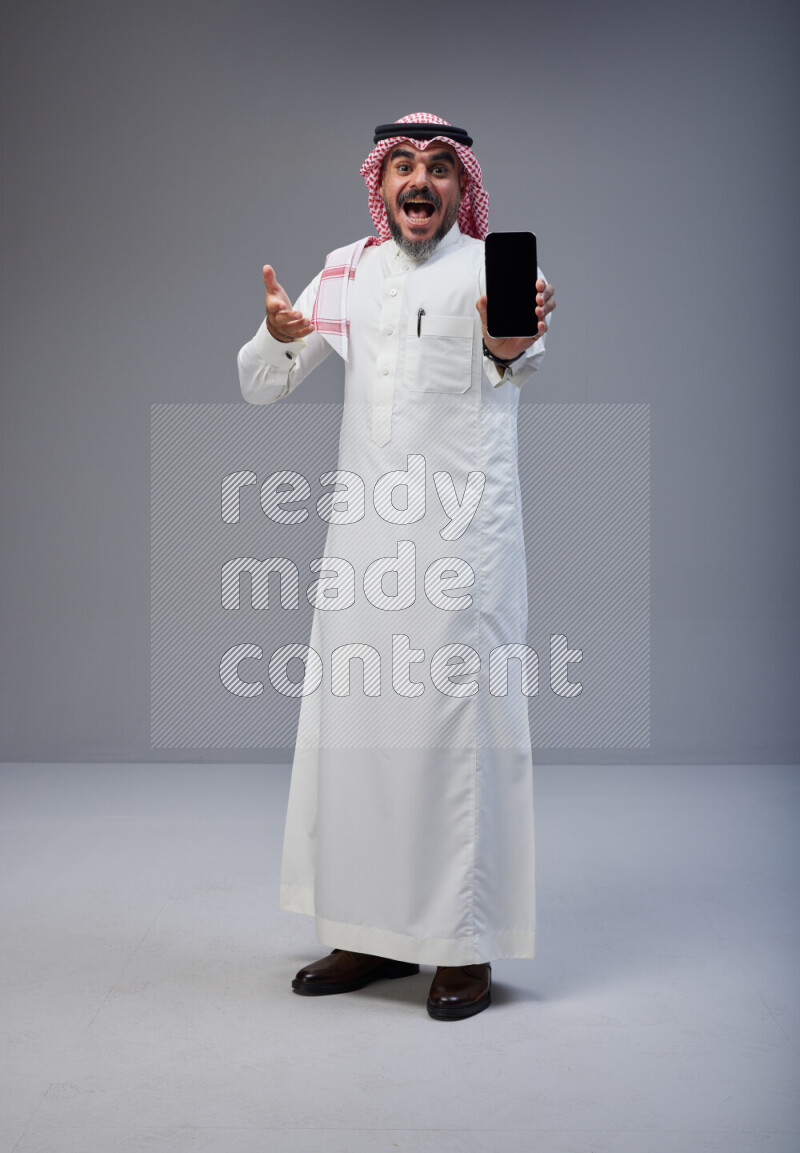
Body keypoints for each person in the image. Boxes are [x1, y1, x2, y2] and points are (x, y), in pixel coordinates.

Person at [237, 113, 556, 1020]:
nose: (421, 182)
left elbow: (519, 357)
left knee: (456, 737)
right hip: (365, 544)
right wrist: (276, 331)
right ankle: (369, 934)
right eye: (404, 167)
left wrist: (508, 342)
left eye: (441, 169)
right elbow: (264, 384)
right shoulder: (350, 270)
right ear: (380, 186)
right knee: (362, 731)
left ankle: (463, 946)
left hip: (462, 544)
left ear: (464, 189)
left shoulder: (499, 272)